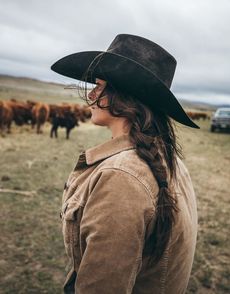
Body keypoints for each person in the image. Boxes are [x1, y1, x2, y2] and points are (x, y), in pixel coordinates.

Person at [51, 34, 198, 294]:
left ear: (122, 94)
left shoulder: (120, 176)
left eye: (98, 84)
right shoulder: (169, 158)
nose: (92, 93)